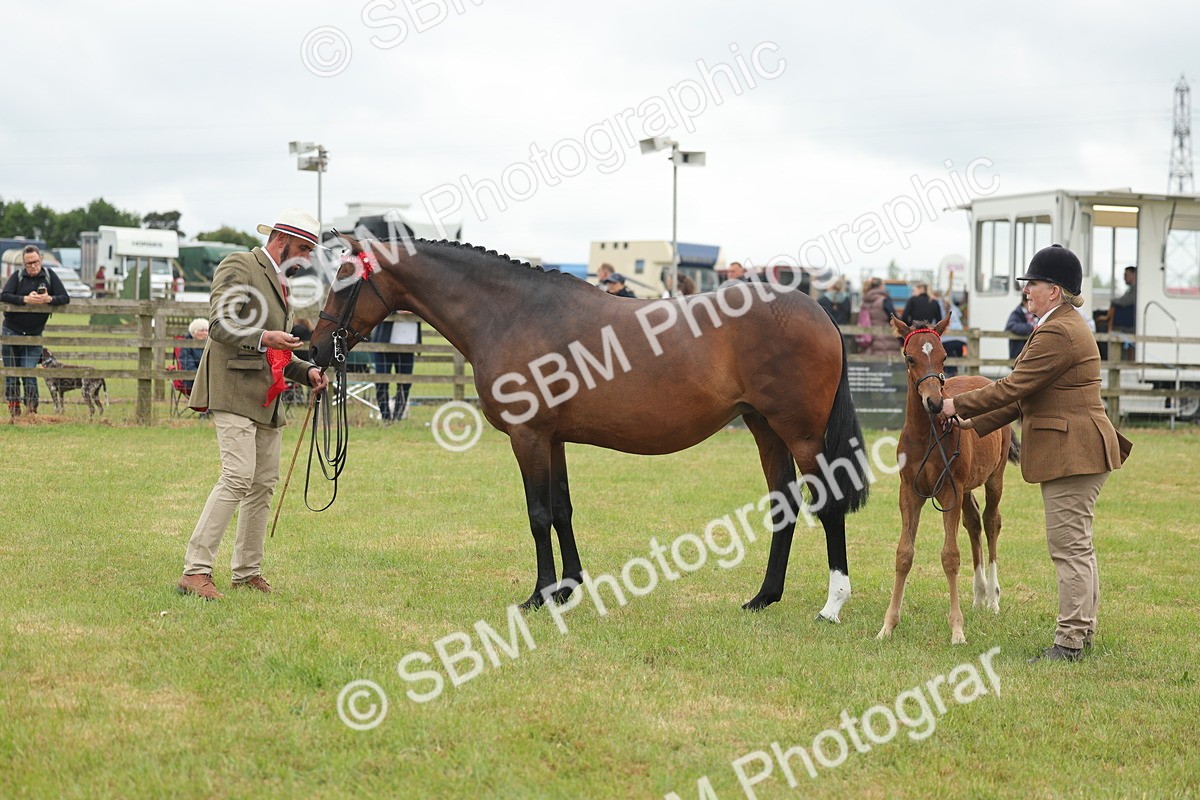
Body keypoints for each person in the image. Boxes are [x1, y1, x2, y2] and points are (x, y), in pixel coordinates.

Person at [941, 245, 1132, 663]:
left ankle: (1068, 643)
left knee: (1069, 547)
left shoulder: (1058, 330)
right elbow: (1024, 398)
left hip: (1074, 451)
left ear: (1056, 290)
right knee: (1077, 545)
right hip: (1077, 448)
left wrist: (960, 404)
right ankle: (1082, 631)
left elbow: (1013, 386)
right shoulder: (1059, 324)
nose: (1026, 291)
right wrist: (974, 424)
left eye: (1033, 284)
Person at [177, 209, 329, 600]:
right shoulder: (240, 264)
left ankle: (246, 571)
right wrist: (264, 336)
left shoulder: (280, 282)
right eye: (304, 249)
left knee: (262, 484)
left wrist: (306, 371)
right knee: (238, 477)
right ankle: (195, 570)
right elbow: (219, 325)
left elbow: (275, 350)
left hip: (265, 396)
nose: (307, 259)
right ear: (281, 239)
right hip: (232, 389)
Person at [2, 245, 69, 418]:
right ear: (24, 264)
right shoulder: (17, 276)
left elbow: (65, 297)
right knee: (12, 374)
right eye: (29, 263)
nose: (33, 266)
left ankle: (31, 411)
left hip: (34, 335)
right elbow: (4, 295)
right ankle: (14, 410)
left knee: (29, 372)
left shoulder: (49, 276)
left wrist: (49, 299)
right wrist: (25, 299)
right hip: (11, 331)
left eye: (36, 262)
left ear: (41, 260)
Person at [371, 311, 420, 422]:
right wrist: (397, 310)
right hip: (384, 344)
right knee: (381, 383)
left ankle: (398, 417)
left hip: (409, 345)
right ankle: (386, 417)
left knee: (405, 384)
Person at [859, 277, 900, 355]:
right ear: (881, 286)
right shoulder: (884, 300)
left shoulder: (865, 301)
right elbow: (895, 319)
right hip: (886, 341)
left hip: (868, 340)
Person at [936, 291, 968, 376]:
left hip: (946, 340)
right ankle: (958, 376)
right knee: (957, 361)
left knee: (947, 362)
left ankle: (951, 378)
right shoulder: (953, 308)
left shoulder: (938, 307)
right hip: (961, 339)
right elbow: (960, 316)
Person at [178, 317, 209, 394]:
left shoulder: (209, 344)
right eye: (202, 330)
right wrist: (202, 376)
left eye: (207, 330)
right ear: (194, 332)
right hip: (193, 381)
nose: (205, 333)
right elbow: (188, 365)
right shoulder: (186, 345)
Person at [1004, 296, 1037, 360]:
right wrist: (1030, 328)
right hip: (1019, 352)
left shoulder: (1036, 313)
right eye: (1030, 301)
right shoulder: (1017, 313)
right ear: (1024, 302)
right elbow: (1010, 326)